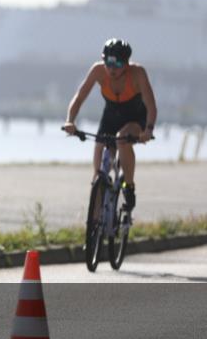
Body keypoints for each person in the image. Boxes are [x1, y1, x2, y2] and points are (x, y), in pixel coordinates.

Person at [62, 38, 157, 211]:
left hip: (135, 117)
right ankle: (96, 219)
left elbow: (151, 106)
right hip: (111, 116)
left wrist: (148, 130)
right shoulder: (98, 70)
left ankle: (129, 187)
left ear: (126, 64)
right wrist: (70, 120)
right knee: (99, 155)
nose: (112, 68)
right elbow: (79, 97)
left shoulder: (138, 73)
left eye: (118, 63)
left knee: (122, 139)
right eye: (108, 62)